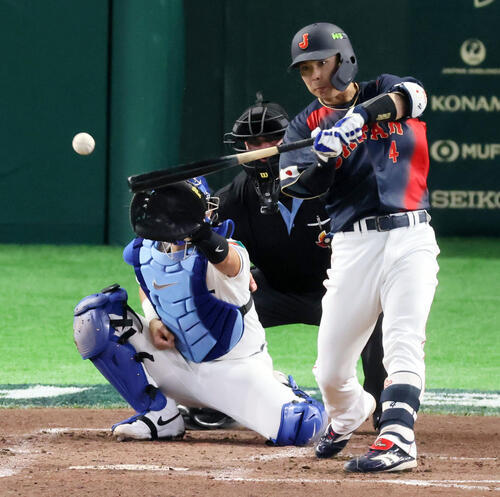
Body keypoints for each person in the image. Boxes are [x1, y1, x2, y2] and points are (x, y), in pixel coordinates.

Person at [280, 22, 440, 473]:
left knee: (403, 340)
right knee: (331, 371)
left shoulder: (383, 88)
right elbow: (297, 187)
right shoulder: (306, 125)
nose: (314, 76)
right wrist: (325, 161)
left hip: (411, 236)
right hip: (353, 246)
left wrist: (359, 119)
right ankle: (350, 410)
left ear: (344, 60)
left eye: (320, 63)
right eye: (305, 69)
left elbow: (414, 96)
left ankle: (398, 438)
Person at [73, 177, 326, 446]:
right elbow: (147, 284)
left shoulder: (229, 250)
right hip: (176, 367)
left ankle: (280, 388)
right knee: (94, 316)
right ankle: (161, 415)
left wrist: (199, 233)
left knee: (301, 425)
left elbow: (230, 262)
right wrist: (154, 319)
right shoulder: (145, 252)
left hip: (236, 374)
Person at [215, 94, 386, 429]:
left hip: (338, 291)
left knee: (378, 309)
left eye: (272, 140)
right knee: (215, 313)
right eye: (253, 143)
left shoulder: (331, 180)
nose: (262, 150)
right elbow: (201, 244)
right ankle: (220, 401)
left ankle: (383, 405)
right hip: (275, 290)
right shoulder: (235, 196)